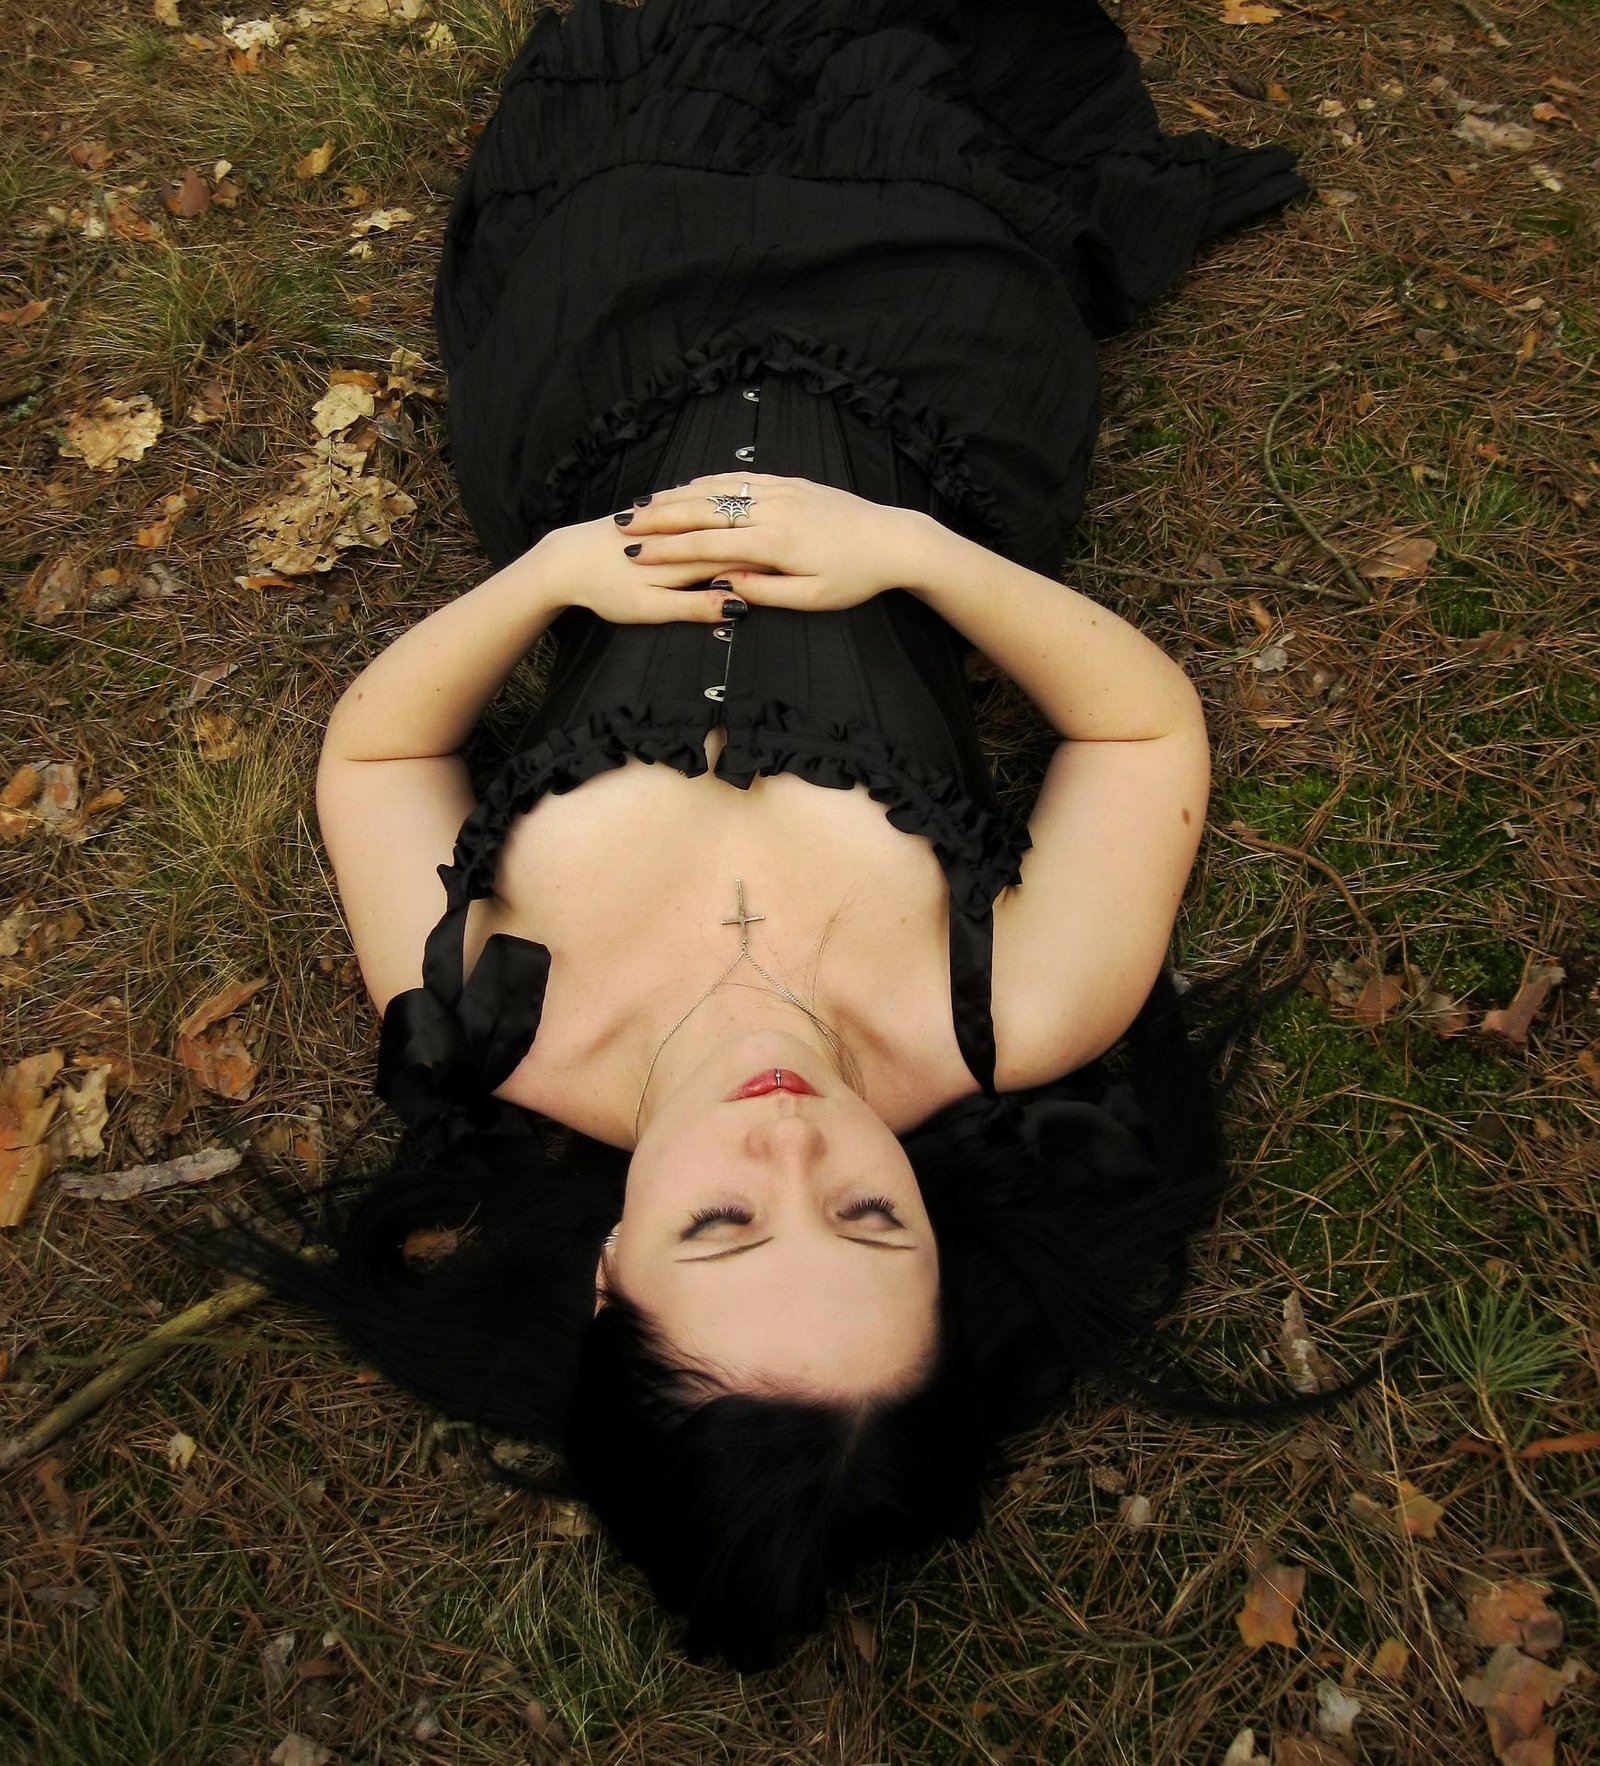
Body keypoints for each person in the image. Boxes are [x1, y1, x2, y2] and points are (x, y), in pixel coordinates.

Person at [168, 0, 1348, 1670]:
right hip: (927, 369)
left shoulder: (501, 1018)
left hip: (604, 362)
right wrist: (914, 556)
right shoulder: (1016, 1006)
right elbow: (1144, 725)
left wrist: (546, 583)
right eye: (874, 1220)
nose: (796, 1149)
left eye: (723, 1224)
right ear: (944, 1253)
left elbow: (374, 760)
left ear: (604, 1278)